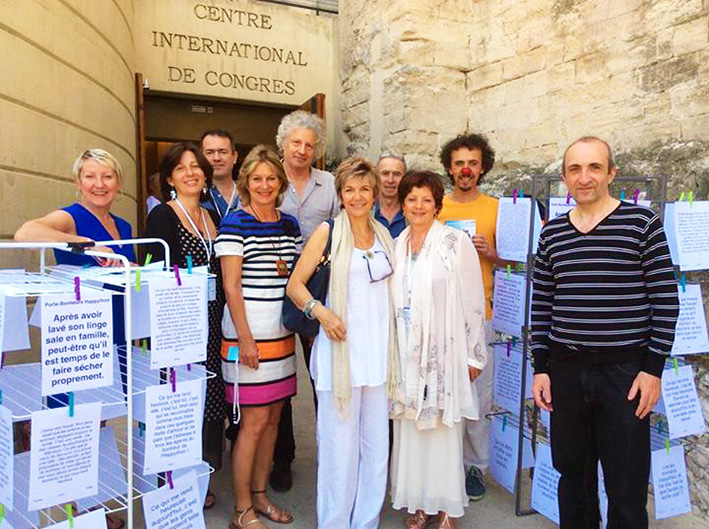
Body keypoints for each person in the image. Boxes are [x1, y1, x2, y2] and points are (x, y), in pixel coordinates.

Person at [531, 136, 679, 529]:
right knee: (573, 478)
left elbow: (666, 299)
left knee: (626, 485)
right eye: (575, 169)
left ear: (611, 173)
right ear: (564, 177)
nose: (585, 177)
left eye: (594, 167)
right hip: (565, 370)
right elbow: (542, 304)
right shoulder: (552, 235)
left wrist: (653, 369)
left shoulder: (641, 224)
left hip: (625, 374)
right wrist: (540, 367)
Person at [15, 148, 133, 529]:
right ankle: (76, 514)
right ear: (78, 182)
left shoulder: (125, 226)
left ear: (118, 182)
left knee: (99, 420)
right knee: (72, 422)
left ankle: (93, 505)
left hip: (114, 329)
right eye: (90, 177)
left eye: (107, 177)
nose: (99, 184)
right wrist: (83, 242)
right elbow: (25, 232)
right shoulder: (71, 216)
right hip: (78, 337)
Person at [286, 157, 397, 529]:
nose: (358, 196)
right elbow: (295, 286)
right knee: (339, 452)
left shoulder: (384, 235)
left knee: (376, 450)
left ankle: (366, 522)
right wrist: (321, 312)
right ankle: (334, 523)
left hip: (378, 359)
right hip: (340, 357)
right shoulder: (327, 232)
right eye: (349, 189)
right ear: (340, 195)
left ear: (375, 193)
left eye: (365, 188)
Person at [390, 170, 488, 529]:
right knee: (414, 433)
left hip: (445, 354)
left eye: (426, 200)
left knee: (444, 433)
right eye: (412, 199)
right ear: (402, 204)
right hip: (406, 355)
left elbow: (473, 300)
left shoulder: (454, 242)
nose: (418, 206)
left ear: (436, 205)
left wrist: (474, 355)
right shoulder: (397, 243)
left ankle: (446, 507)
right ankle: (420, 504)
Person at [216, 145, 301, 529]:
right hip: (248, 338)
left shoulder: (289, 224)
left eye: (271, 178)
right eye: (257, 179)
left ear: (280, 182)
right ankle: (241, 508)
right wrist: (245, 340)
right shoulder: (235, 223)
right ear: (245, 182)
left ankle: (261, 496)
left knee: (273, 419)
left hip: (281, 337)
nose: (264, 185)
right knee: (252, 422)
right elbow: (231, 287)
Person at [144, 143, 226, 510]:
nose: (191, 172)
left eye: (196, 166)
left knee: (209, 400)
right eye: (181, 168)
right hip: (179, 329)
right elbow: (149, 273)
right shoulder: (163, 216)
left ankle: (201, 474)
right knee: (180, 401)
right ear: (170, 178)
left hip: (214, 324)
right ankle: (172, 482)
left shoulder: (213, 217)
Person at [437, 133, 508, 501]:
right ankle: (446, 465)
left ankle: (476, 468)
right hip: (439, 317)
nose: (466, 169)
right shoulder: (436, 207)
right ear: (449, 167)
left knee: (479, 398)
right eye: (459, 162)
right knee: (443, 395)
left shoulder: (497, 208)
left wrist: (492, 253)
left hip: (482, 314)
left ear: (482, 167)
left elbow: (520, 261)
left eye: (473, 163)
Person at [273, 109, 339, 491]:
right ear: (283, 143)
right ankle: (282, 458)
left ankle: (330, 453)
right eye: (296, 142)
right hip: (273, 290)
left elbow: (339, 232)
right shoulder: (266, 178)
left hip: (317, 291)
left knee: (321, 376)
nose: (301, 150)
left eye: (309, 145)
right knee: (280, 377)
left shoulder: (329, 183)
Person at [201, 129, 240, 221]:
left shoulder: (249, 193)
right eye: (209, 152)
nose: (217, 158)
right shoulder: (196, 196)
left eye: (223, 152)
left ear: (234, 157)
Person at [374, 154, 407, 238]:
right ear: (376, 177)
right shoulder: (365, 212)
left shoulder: (413, 213)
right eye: (385, 173)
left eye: (396, 174)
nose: (390, 180)